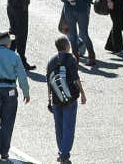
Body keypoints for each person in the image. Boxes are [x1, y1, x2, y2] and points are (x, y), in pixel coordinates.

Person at [0, 31, 30, 161]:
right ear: (7, 43)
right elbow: (22, 76)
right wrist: (26, 92)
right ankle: (4, 152)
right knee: (7, 122)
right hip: (10, 92)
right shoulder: (14, 56)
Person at [46, 36, 86, 164]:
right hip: (70, 98)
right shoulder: (71, 59)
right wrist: (83, 93)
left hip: (56, 99)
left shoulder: (51, 61)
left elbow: (49, 83)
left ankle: (61, 152)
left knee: (59, 127)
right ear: (66, 46)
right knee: (68, 126)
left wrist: (49, 100)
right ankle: (65, 155)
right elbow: (75, 78)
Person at [61, 0, 96, 66]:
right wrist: (68, 0)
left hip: (82, 10)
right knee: (72, 34)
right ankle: (75, 56)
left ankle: (91, 56)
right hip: (69, 10)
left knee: (83, 34)